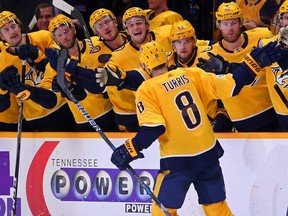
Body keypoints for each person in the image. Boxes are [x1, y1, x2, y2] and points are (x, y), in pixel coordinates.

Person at [109, 40, 285, 215]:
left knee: (163, 212)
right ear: (168, 58)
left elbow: (154, 128)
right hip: (208, 154)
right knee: (217, 208)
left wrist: (129, 149)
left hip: (178, 161)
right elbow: (231, 86)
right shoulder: (190, 74)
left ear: (144, 66)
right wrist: (254, 64)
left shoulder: (146, 89)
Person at [196, 1, 279, 132]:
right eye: (225, 24)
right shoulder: (209, 56)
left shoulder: (260, 36)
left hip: (272, 114)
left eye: (233, 23)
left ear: (241, 23)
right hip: (241, 123)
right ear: (218, 25)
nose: (230, 28)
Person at [0, 10, 77, 132]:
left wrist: (39, 58)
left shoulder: (43, 37)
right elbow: (3, 107)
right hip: (37, 119)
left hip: (64, 107)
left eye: (13, 26)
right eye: (6, 29)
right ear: (1, 37)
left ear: (19, 26)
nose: (12, 31)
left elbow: (62, 63)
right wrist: (3, 90)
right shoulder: (2, 62)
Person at [45, 13, 119, 132]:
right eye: (59, 34)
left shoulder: (95, 43)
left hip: (110, 113)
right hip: (83, 121)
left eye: (66, 31)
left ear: (73, 29)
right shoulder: (54, 64)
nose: (64, 37)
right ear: (55, 39)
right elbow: (50, 96)